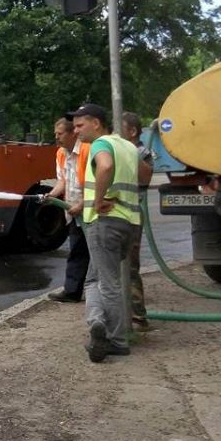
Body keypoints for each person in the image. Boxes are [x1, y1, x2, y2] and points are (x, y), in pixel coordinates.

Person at [70, 103, 140, 363]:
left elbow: (106, 167)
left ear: (96, 124)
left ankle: (116, 340)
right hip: (129, 223)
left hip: (104, 223)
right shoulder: (128, 146)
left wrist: (99, 200)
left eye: (80, 125)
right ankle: (97, 323)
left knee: (107, 282)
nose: (76, 131)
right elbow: (143, 174)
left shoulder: (100, 145)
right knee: (94, 279)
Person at [45, 117, 91, 302]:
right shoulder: (61, 153)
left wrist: (81, 204)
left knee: (98, 254)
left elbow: (95, 183)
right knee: (77, 251)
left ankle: (107, 292)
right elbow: (62, 180)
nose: (57, 137)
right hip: (74, 212)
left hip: (91, 210)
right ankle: (72, 291)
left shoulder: (88, 151)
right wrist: (52, 195)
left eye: (60, 133)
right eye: (55, 134)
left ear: (73, 133)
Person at [121, 111, 155, 328]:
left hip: (131, 215)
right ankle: (122, 314)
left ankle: (137, 316)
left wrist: (129, 152)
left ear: (132, 132)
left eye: (120, 128)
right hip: (115, 212)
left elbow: (145, 177)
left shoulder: (142, 152)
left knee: (130, 265)